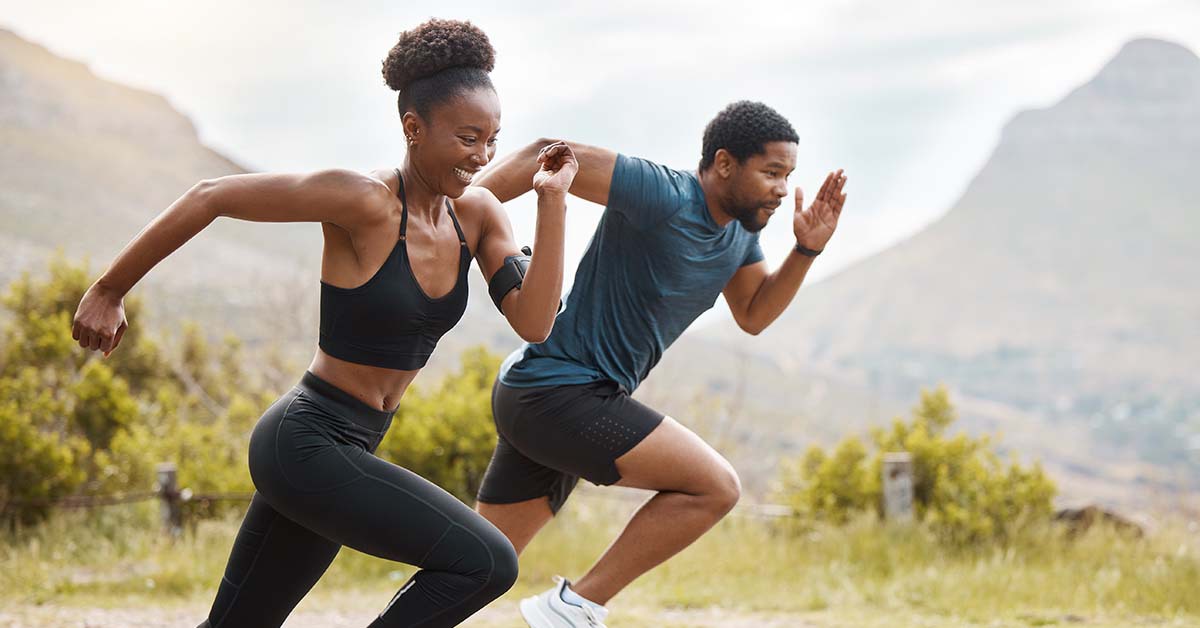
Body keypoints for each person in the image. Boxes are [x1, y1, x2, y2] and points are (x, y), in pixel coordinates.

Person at [71, 19, 577, 628]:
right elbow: (212, 194)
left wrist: (552, 202)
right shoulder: (361, 201)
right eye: (468, 137)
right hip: (306, 439)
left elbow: (535, 321)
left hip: (353, 441)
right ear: (414, 129)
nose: (483, 156)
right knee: (486, 563)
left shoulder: (479, 216)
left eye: (493, 139)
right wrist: (109, 288)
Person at [472, 100, 848, 627]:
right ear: (723, 164)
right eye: (771, 172)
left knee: (474, 566)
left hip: (547, 396)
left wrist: (805, 250)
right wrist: (455, 214)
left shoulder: (741, 235)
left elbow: (754, 313)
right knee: (716, 487)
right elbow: (546, 154)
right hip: (560, 392)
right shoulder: (664, 193)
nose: (782, 190)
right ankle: (574, 606)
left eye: (788, 176)